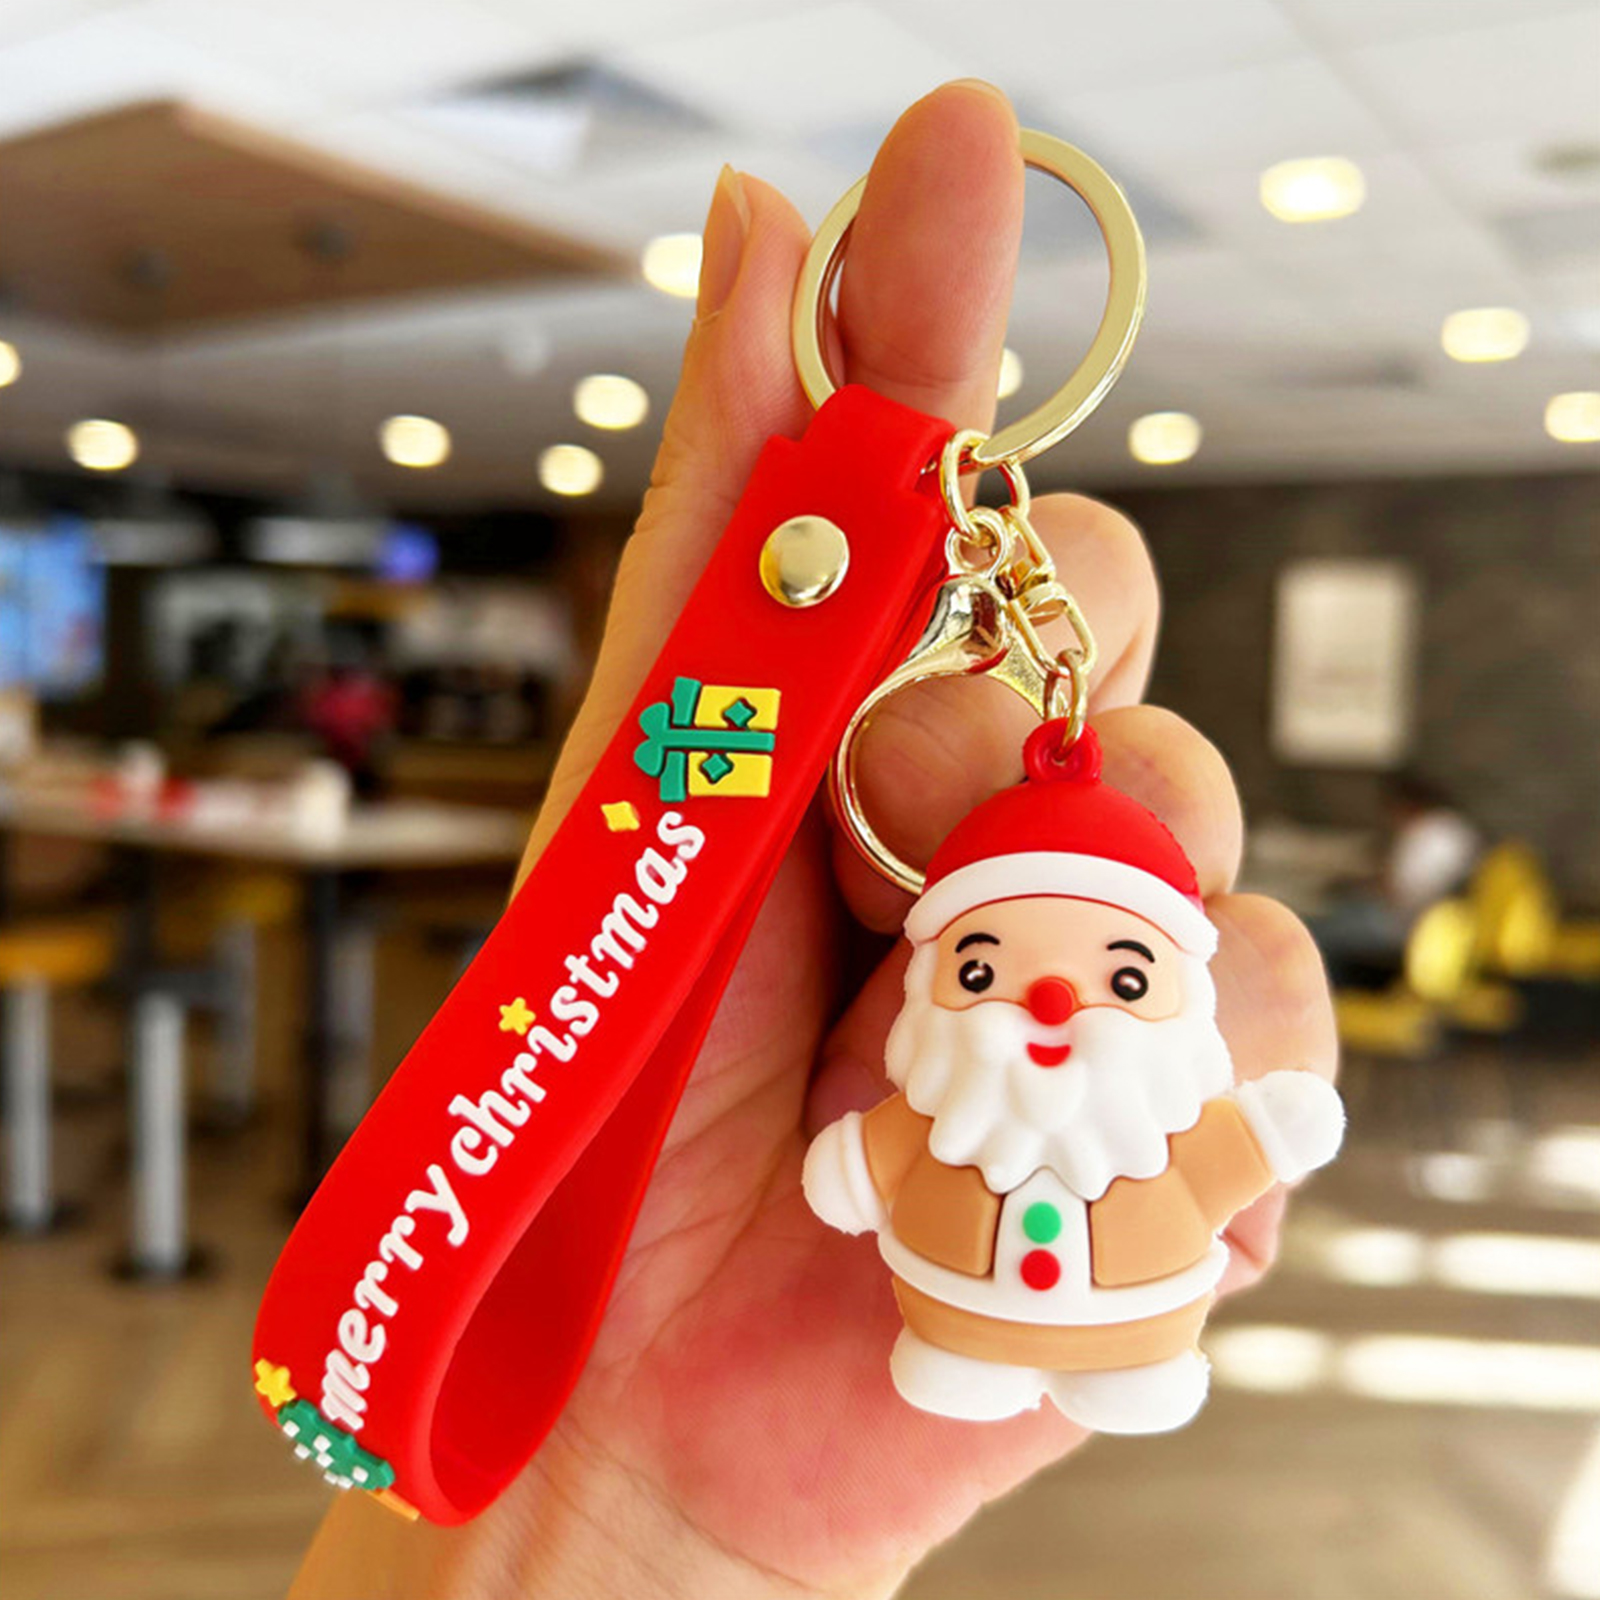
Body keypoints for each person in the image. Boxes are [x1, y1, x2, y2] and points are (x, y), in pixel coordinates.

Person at [289, 81, 1337, 1599]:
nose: (1056, 999)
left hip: (1060, 1331)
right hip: (851, 1327)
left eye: (1123, 977)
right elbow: (885, 1155)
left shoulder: (1121, 1115)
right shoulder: (942, 1108)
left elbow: (1224, 1145)